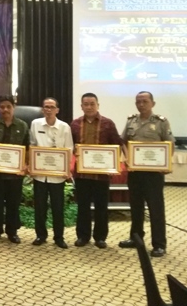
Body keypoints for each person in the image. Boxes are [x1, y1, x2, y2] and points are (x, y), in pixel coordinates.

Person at [118, 91, 174, 257]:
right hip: (135, 172)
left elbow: (169, 144)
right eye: (138, 101)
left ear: (152, 103)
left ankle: (159, 244)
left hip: (153, 174)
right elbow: (123, 141)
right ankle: (135, 238)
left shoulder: (161, 122)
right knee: (136, 207)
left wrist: (166, 163)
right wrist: (127, 157)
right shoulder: (131, 121)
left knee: (156, 209)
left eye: (145, 101)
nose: (141, 104)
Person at [70, 93, 122, 249]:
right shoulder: (75, 124)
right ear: (81, 106)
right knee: (83, 207)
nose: (89, 107)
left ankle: (100, 237)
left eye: (92, 104)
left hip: (102, 175)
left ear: (98, 105)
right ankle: (83, 236)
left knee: (101, 207)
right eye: (86, 104)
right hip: (82, 174)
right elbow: (70, 147)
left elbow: (117, 146)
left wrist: (113, 165)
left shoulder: (108, 124)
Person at [0, 95, 30, 244]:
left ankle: (12, 232)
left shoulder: (22, 126)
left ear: (13, 107)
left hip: (15, 174)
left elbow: (27, 148)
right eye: (2, 107)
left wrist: (26, 165)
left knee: (13, 204)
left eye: (8, 106)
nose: (5, 110)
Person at [29, 97, 73, 249]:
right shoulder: (35, 124)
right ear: (42, 109)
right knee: (40, 207)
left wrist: (67, 169)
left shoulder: (64, 127)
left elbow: (69, 149)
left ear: (57, 110)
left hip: (57, 176)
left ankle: (59, 237)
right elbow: (32, 145)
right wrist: (31, 166)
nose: (48, 109)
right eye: (46, 107)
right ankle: (40, 235)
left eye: (51, 107)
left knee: (58, 207)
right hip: (40, 175)